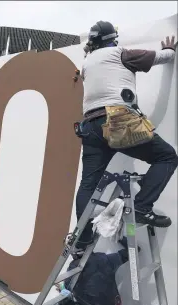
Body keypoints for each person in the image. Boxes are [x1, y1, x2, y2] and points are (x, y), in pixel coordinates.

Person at [75, 21, 178, 249]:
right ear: (113, 38)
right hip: (118, 120)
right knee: (167, 157)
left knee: (88, 184)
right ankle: (141, 207)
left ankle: (81, 240)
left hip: (90, 126)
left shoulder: (87, 63)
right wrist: (169, 51)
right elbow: (158, 58)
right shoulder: (119, 53)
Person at [60, 237, 137, 305]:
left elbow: (65, 294)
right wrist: (117, 236)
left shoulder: (72, 270)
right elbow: (133, 251)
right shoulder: (105, 260)